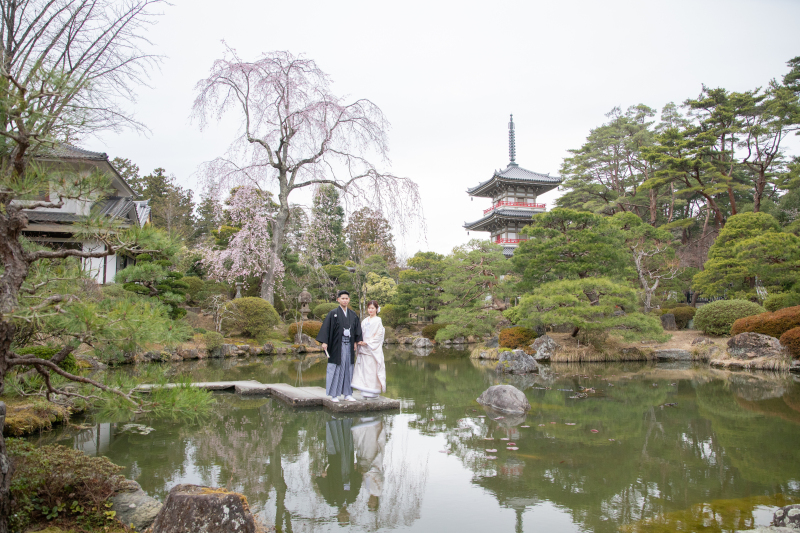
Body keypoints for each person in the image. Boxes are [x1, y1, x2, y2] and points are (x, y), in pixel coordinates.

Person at [317, 290, 363, 402]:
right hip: (337, 345)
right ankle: (334, 395)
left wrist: (356, 341)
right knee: (336, 368)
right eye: (343, 298)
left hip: (349, 345)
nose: (345, 300)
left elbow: (357, 329)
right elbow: (326, 328)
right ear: (338, 299)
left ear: (349, 300)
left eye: (346, 298)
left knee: (348, 368)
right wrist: (324, 342)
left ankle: (348, 394)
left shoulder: (352, 314)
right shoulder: (333, 313)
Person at [351, 300, 386, 399]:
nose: (370, 310)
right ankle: (364, 390)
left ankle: (373, 391)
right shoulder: (364, 321)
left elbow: (379, 335)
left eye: (372, 308)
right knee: (363, 370)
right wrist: (359, 341)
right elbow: (359, 332)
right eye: (369, 308)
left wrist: (368, 342)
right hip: (363, 348)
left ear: (376, 309)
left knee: (372, 370)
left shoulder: (378, 320)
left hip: (372, 349)